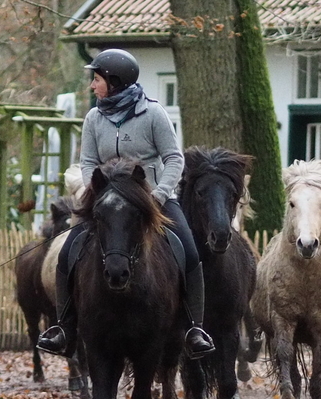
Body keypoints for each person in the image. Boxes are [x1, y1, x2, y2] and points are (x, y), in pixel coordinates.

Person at [37, 48, 214, 360]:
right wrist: (96, 194)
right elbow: (89, 162)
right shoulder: (94, 117)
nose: (92, 86)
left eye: (97, 79)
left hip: (154, 200)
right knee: (67, 252)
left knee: (188, 250)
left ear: (114, 81)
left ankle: (193, 328)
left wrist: (158, 196)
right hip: (106, 204)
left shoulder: (154, 114)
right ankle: (64, 326)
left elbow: (174, 158)